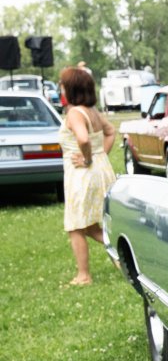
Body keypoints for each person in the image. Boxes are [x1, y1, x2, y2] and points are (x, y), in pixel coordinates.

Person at [58, 66, 117, 286]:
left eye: (62, 84)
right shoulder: (92, 112)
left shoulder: (75, 113)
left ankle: (83, 275)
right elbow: (111, 132)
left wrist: (88, 159)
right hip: (101, 171)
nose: (60, 88)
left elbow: (82, 139)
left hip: (83, 174)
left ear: (71, 88)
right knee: (92, 226)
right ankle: (122, 259)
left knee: (75, 225)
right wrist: (99, 155)